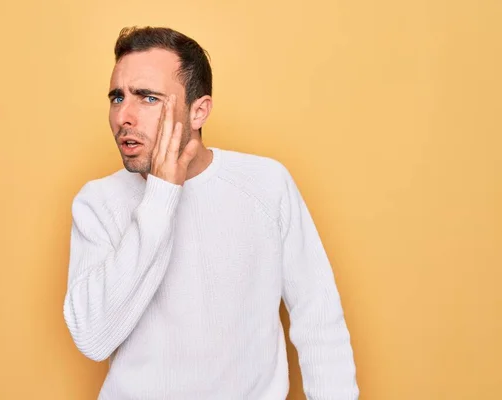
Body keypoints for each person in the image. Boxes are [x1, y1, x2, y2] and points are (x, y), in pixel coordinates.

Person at [63, 26, 359, 400]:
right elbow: (92, 337)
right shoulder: (97, 203)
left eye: (148, 98)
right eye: (117, 97)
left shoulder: (266, 183)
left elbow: (320, 322)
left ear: (198, 110)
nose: (124, 115)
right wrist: (161, 195)